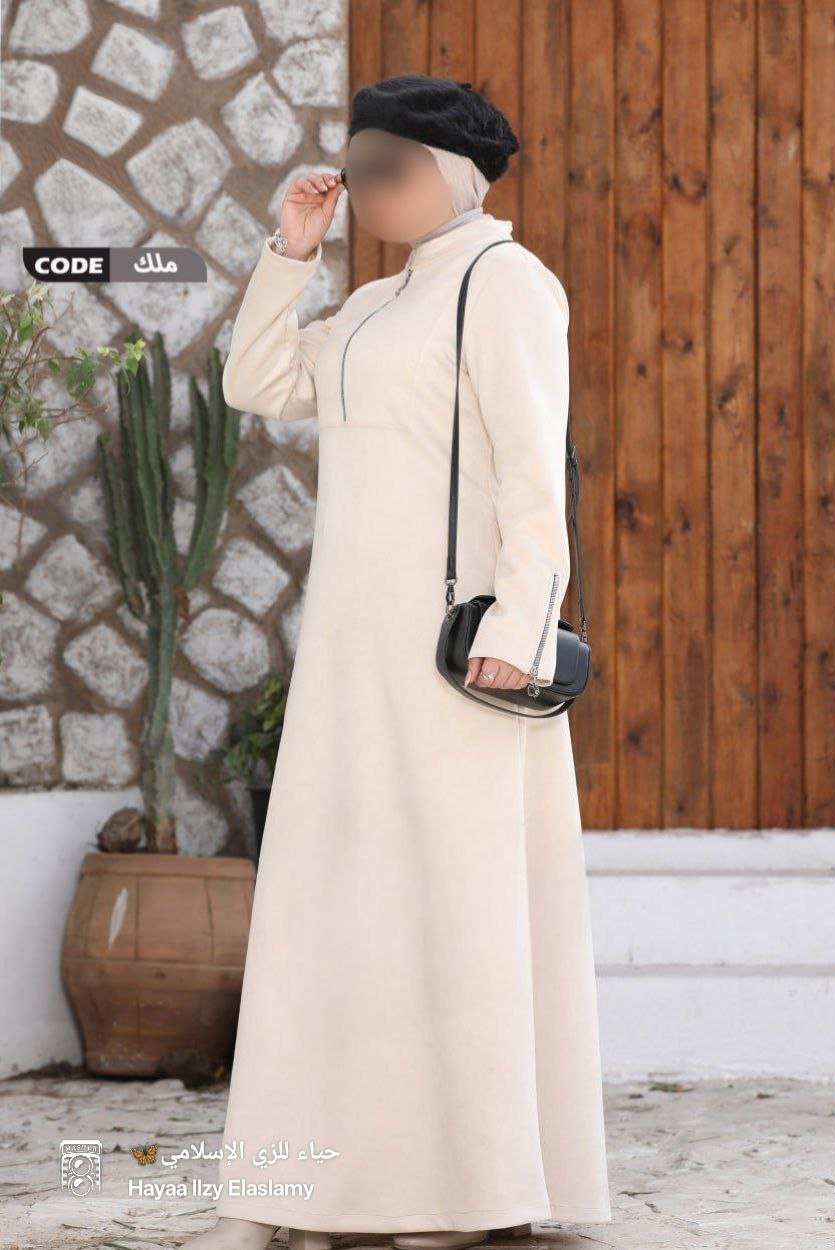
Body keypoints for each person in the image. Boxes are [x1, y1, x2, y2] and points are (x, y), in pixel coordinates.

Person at [181, 73, 610, 1250]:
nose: (370, 189)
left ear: (452, 175)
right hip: (348, 663)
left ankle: (460, 1195)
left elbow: (533, 475)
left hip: (455, 661)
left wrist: (519, 632)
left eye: (390, 169)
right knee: (330, 915)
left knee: (449, 919)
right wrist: (292, 250)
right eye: (358, 167)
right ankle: (294, 1193)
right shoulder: (375, 302)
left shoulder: (505, 283)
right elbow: (256, 381)